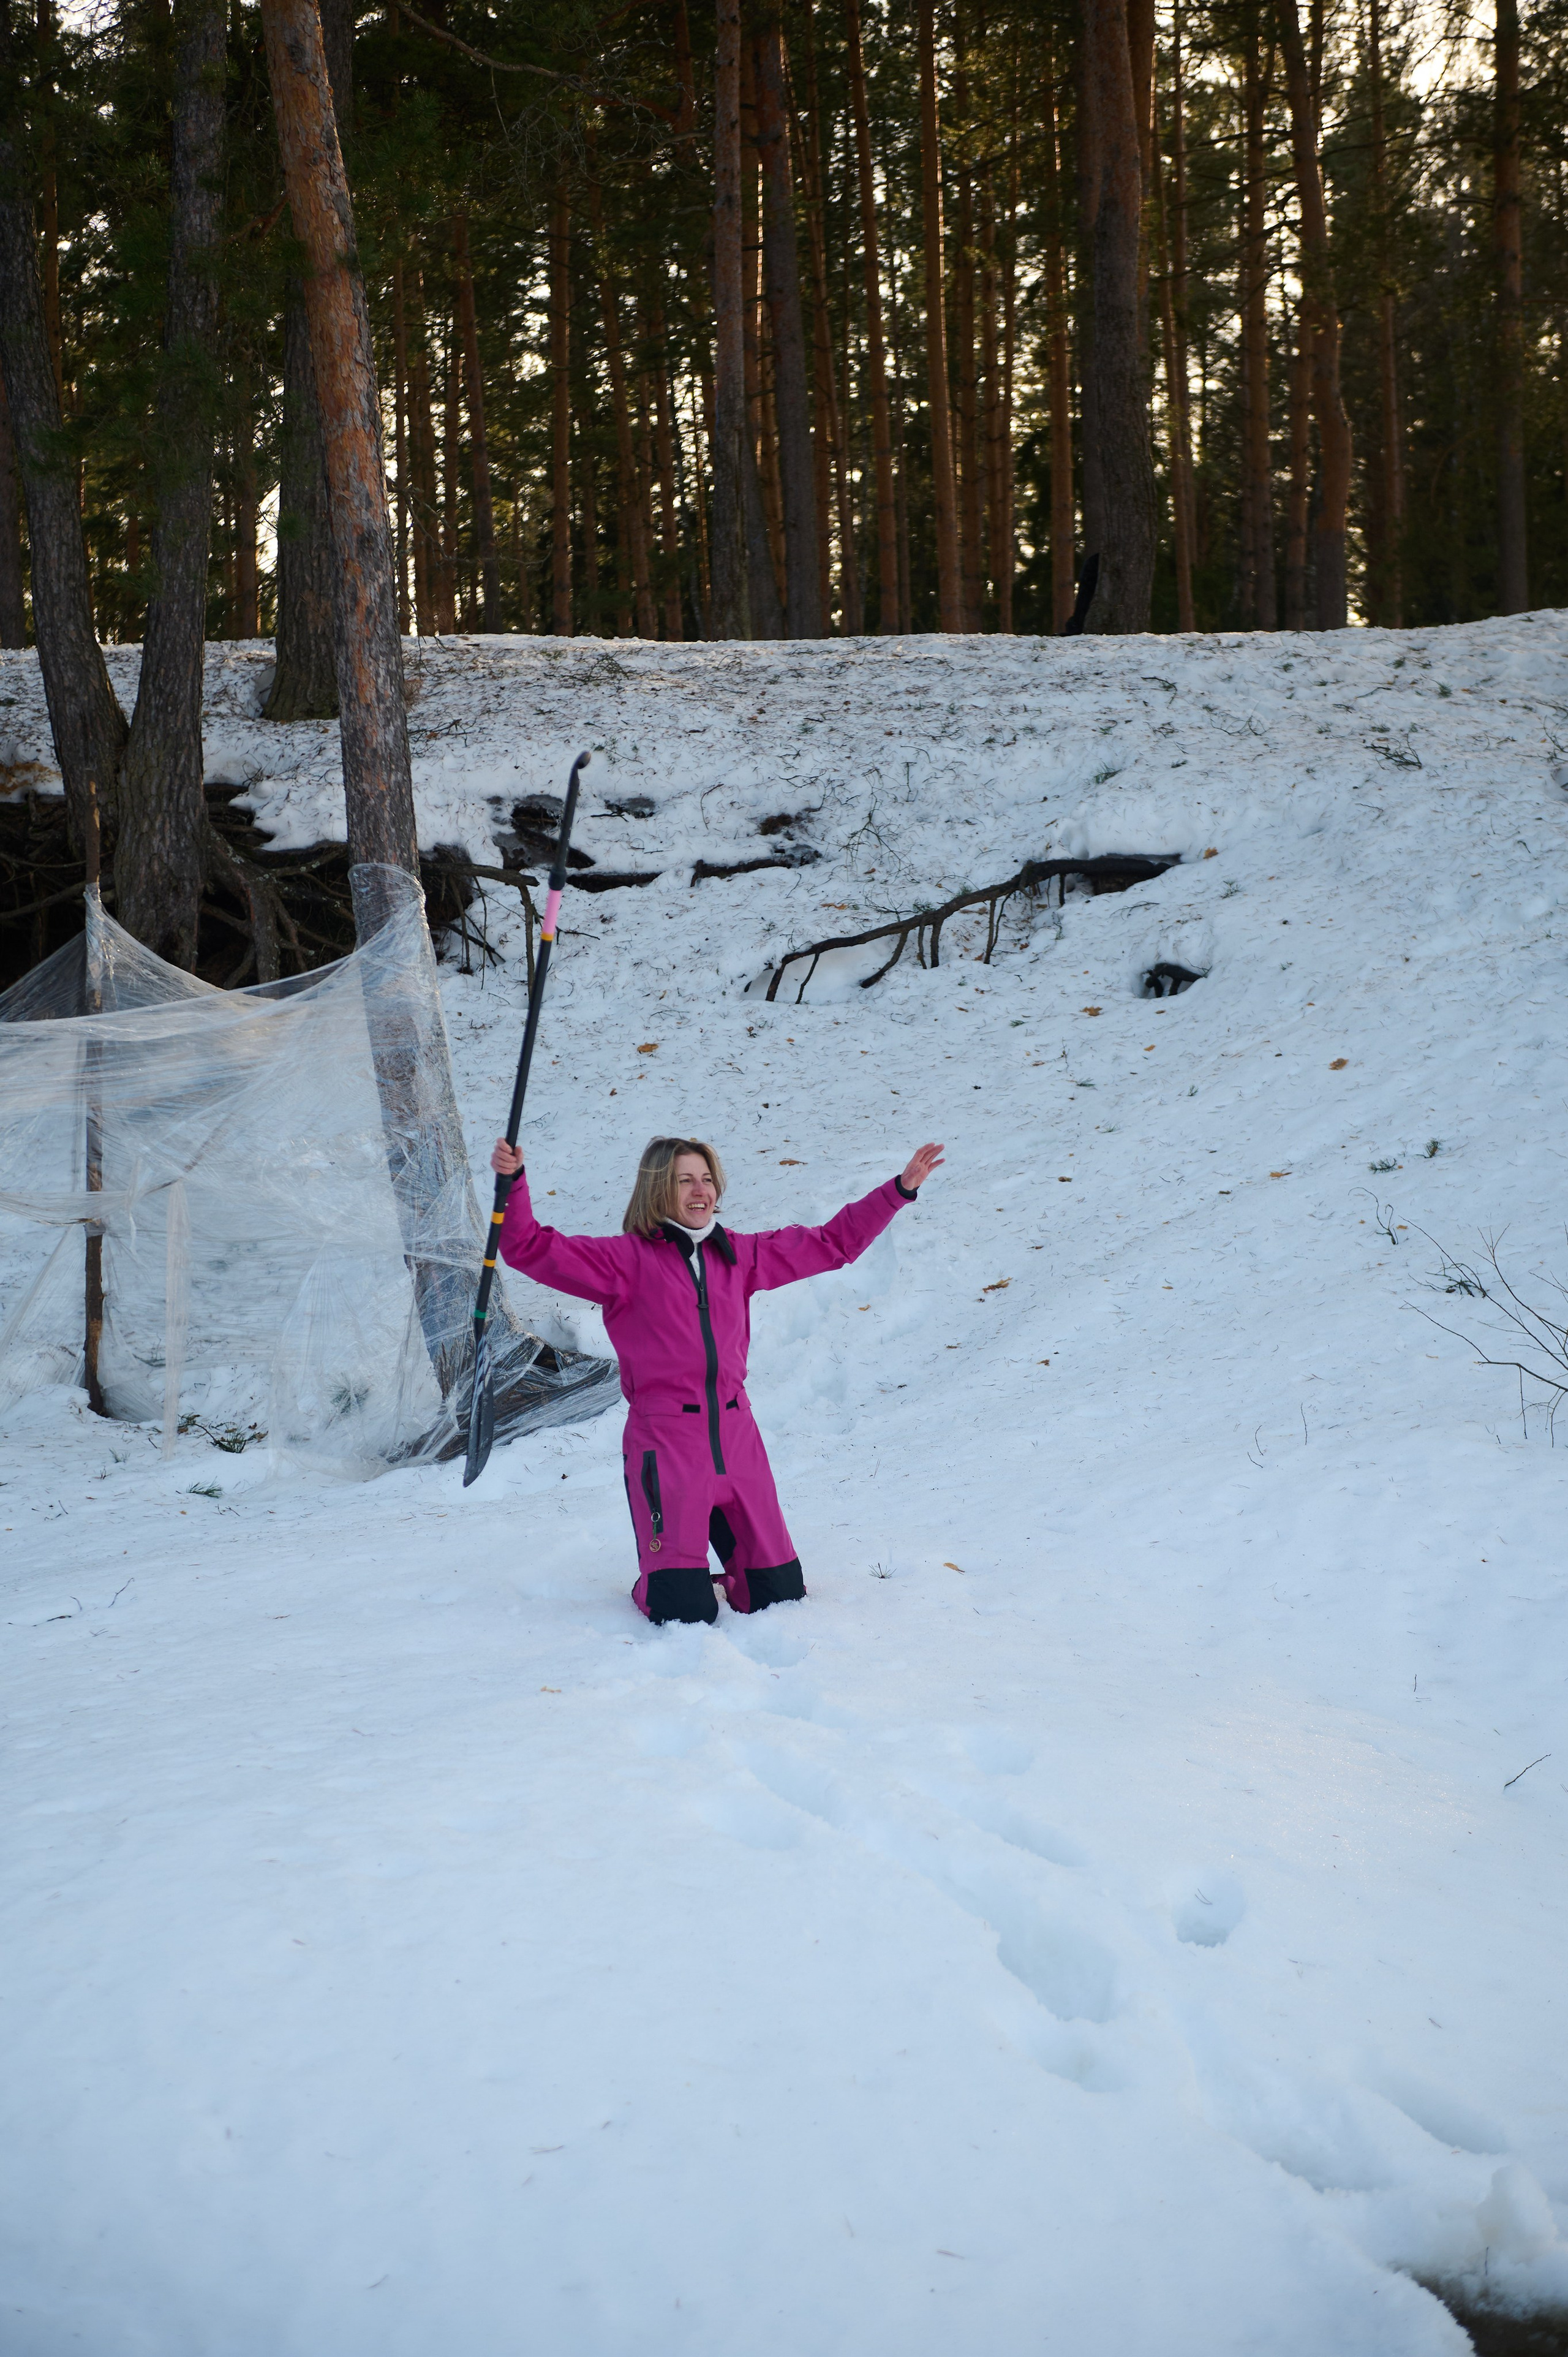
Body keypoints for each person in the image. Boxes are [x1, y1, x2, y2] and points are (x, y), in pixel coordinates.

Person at [489, 1133, 945, 1626]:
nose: (700, 1191)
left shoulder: (739, 1255)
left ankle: (727, 1561)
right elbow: (529, 1247)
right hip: (666, 1444)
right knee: (684, 1611)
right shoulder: (625, 1262)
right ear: (657, 1189)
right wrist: (513, 1183)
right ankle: (659, 1575)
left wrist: (898, 1191)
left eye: (706, 1179)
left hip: (737, 1436)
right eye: (685, 1180)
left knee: (781, 1596)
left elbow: (831, 1243)